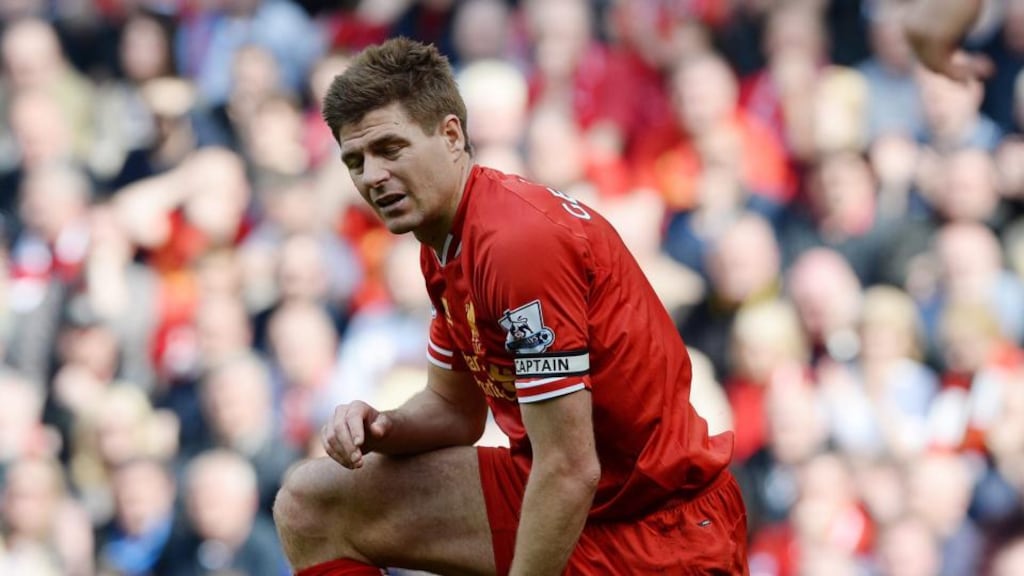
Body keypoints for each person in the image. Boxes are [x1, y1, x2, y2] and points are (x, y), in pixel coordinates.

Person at [272, 37, 747, 575]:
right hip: (561, 490)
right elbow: (454, 411)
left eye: (390, 148)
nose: (371, 176)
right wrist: (382, 426)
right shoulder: (444, 241)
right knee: (312, 502)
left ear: (451, 135)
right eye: (355, 160)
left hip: (658, 530)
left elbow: (571, 468)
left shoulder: (517, 243)